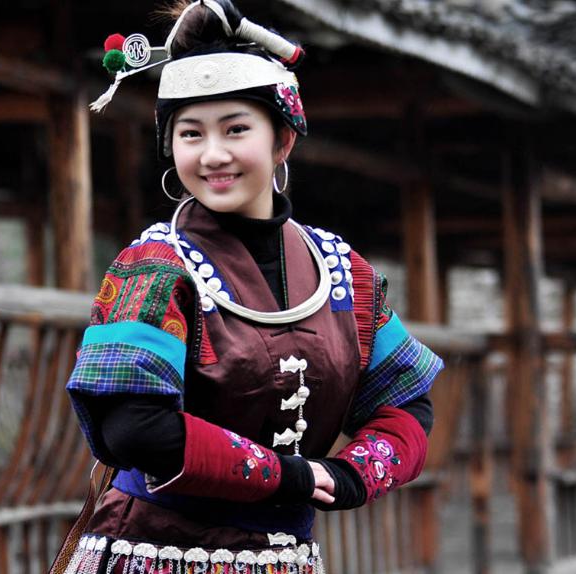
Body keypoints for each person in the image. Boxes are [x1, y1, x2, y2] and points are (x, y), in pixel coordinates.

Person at [64, 1, 443, 572]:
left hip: (286, 556)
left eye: (236, 129)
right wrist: (289, 476)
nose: (212, 155)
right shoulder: (155, 266)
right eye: (190, 134)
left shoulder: (345, 273)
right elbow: (134, 427)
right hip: (151, 553)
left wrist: (350, 476)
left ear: (282, 141)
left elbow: (407, 404)